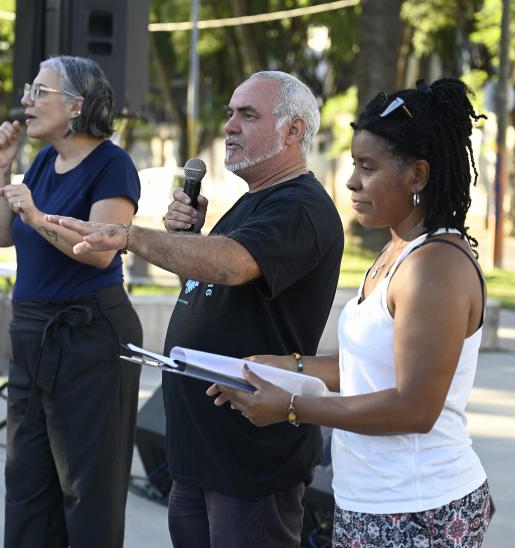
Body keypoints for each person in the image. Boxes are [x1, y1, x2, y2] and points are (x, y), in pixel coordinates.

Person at [48, 71, 344, 547]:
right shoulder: (252, 202)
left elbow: (230, 266)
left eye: (248, 115)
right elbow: (210, 285)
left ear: (293, 132)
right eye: (230, 112)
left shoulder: (301, 206)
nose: (229, 125)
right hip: (200, 452)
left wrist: (130, 236)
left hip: (248, 459)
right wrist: (185, 242)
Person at [209, 78, 493, 547]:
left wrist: (294, 407)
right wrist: (289, 367)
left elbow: (414, 407)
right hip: (370, 498)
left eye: (368, 167)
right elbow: (369, 369)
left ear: (417, 176)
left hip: (418, 507)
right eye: (354, 164)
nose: (352, 182)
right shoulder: (398, 250)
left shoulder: (435, 267)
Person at [0, 56, 142, 548]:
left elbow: (98, 252)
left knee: (86, 492)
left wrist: (35, 217)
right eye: (29, 90)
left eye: (39, 91)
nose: (26, 101)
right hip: (33, 336)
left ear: (75, 105)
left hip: (89, 336)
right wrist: (1, 167)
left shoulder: (112, 164)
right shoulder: (43, 162)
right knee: (26, 485)